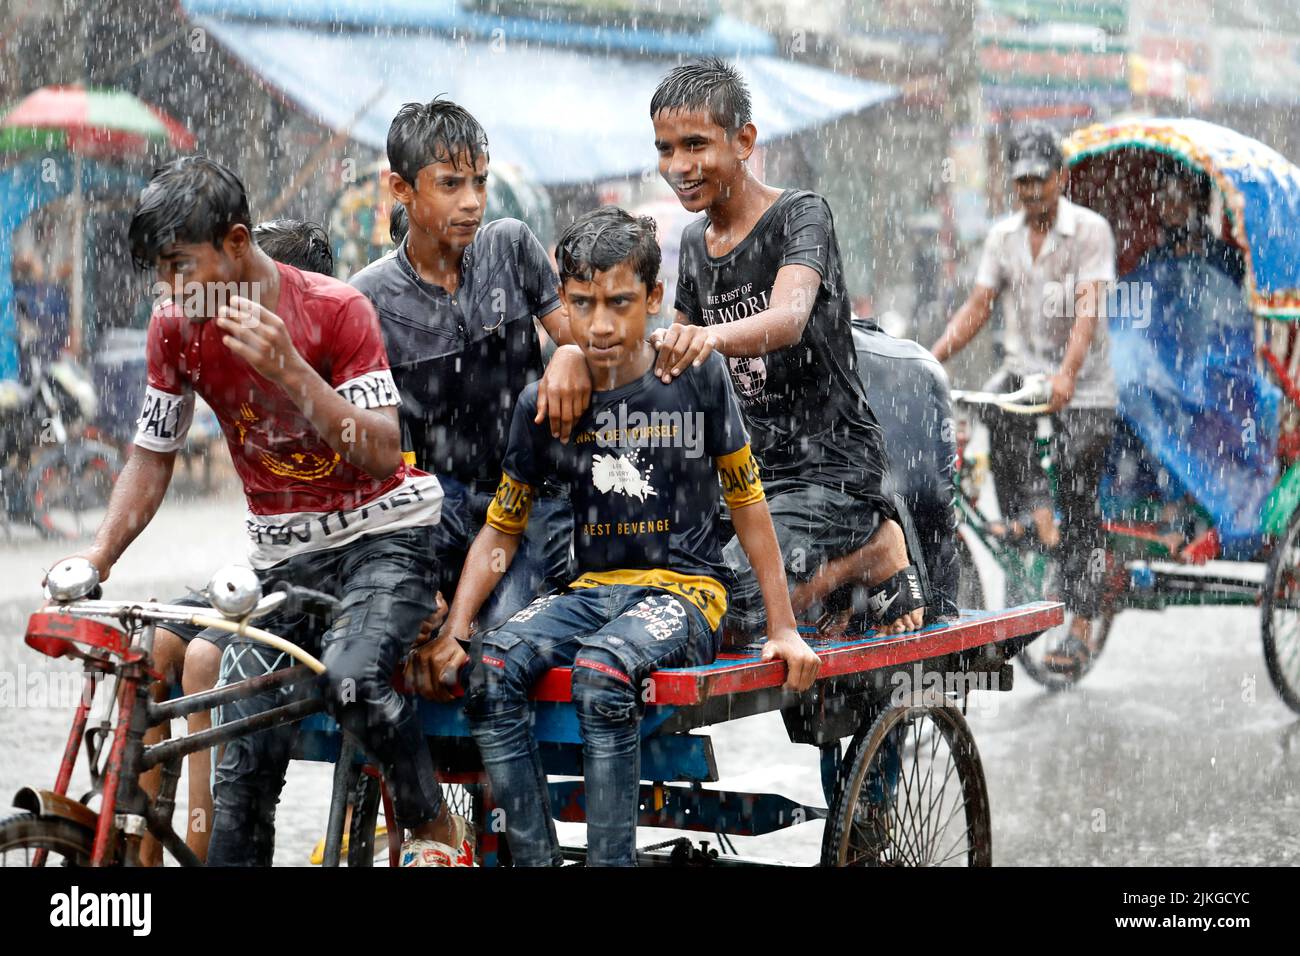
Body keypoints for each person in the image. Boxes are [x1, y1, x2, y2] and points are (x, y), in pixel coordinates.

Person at [58, 157, 470, 867]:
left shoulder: (337, 310)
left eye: (182, 266)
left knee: (352, 679)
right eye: (160, 272)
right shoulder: (174, 329)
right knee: (239, 772)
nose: (170, 290)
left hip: (386, 544)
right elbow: (152, 456)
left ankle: (432, 821)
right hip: (283, 561)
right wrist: (96, 558)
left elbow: (378, 451)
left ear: (238, 242)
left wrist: (291, 370)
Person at [411, 207, 819, 866]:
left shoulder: (693, 375)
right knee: (491, 667)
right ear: (562, 301)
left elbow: (748, 502)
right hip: (593, 588)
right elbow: (503, 526)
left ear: (655, 299)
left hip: (686, 593)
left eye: (620, 303)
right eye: (582, 304)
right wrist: (458, 627)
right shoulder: (544, 402)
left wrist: (784, 626)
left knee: (601, 672)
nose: (600, 324)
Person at [647, 57, 926, 639]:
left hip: (833, 473)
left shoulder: (801, 214)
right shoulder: (696, 245)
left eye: (695, 144)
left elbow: (790, 317)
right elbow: (674, 362)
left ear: (744, 140)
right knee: (662, 583)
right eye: (666, 149)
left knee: (722, 612)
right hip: (754, 478)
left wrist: (708, 336)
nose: (679, 166)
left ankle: (872, 550)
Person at [350, 99, 587, 663]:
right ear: (400, 189)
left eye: (479, 181)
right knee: (388, 621)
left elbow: (580, 337)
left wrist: (570, 352)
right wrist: (408, 572)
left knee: (500, 643)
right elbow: (380, 453)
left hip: (531, 497)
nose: (472, 201)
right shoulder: (368, 299)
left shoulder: (510, 246)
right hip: (437, 504)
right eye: (451, 183)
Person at [139, 218, 340, 865]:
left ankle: (201, 843)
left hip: (322, 578)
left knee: (201, 663)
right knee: (152, 644)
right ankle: (140, 846)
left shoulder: (330, 370)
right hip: (263, 568)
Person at [930, 122, 1117, 671]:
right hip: (1024, 370)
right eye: (1022, 182)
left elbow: (1088, 307)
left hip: (1085, 385)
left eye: (1040, 179)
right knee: (991, 408)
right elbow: (979, 304)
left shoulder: (1089, 232)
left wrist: (1067, 374)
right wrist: (930, 356)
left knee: (1076, 472)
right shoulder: (1003, 237)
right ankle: (1028, 517)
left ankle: (1081, 622)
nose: (1031, 190)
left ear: (1060, 177)